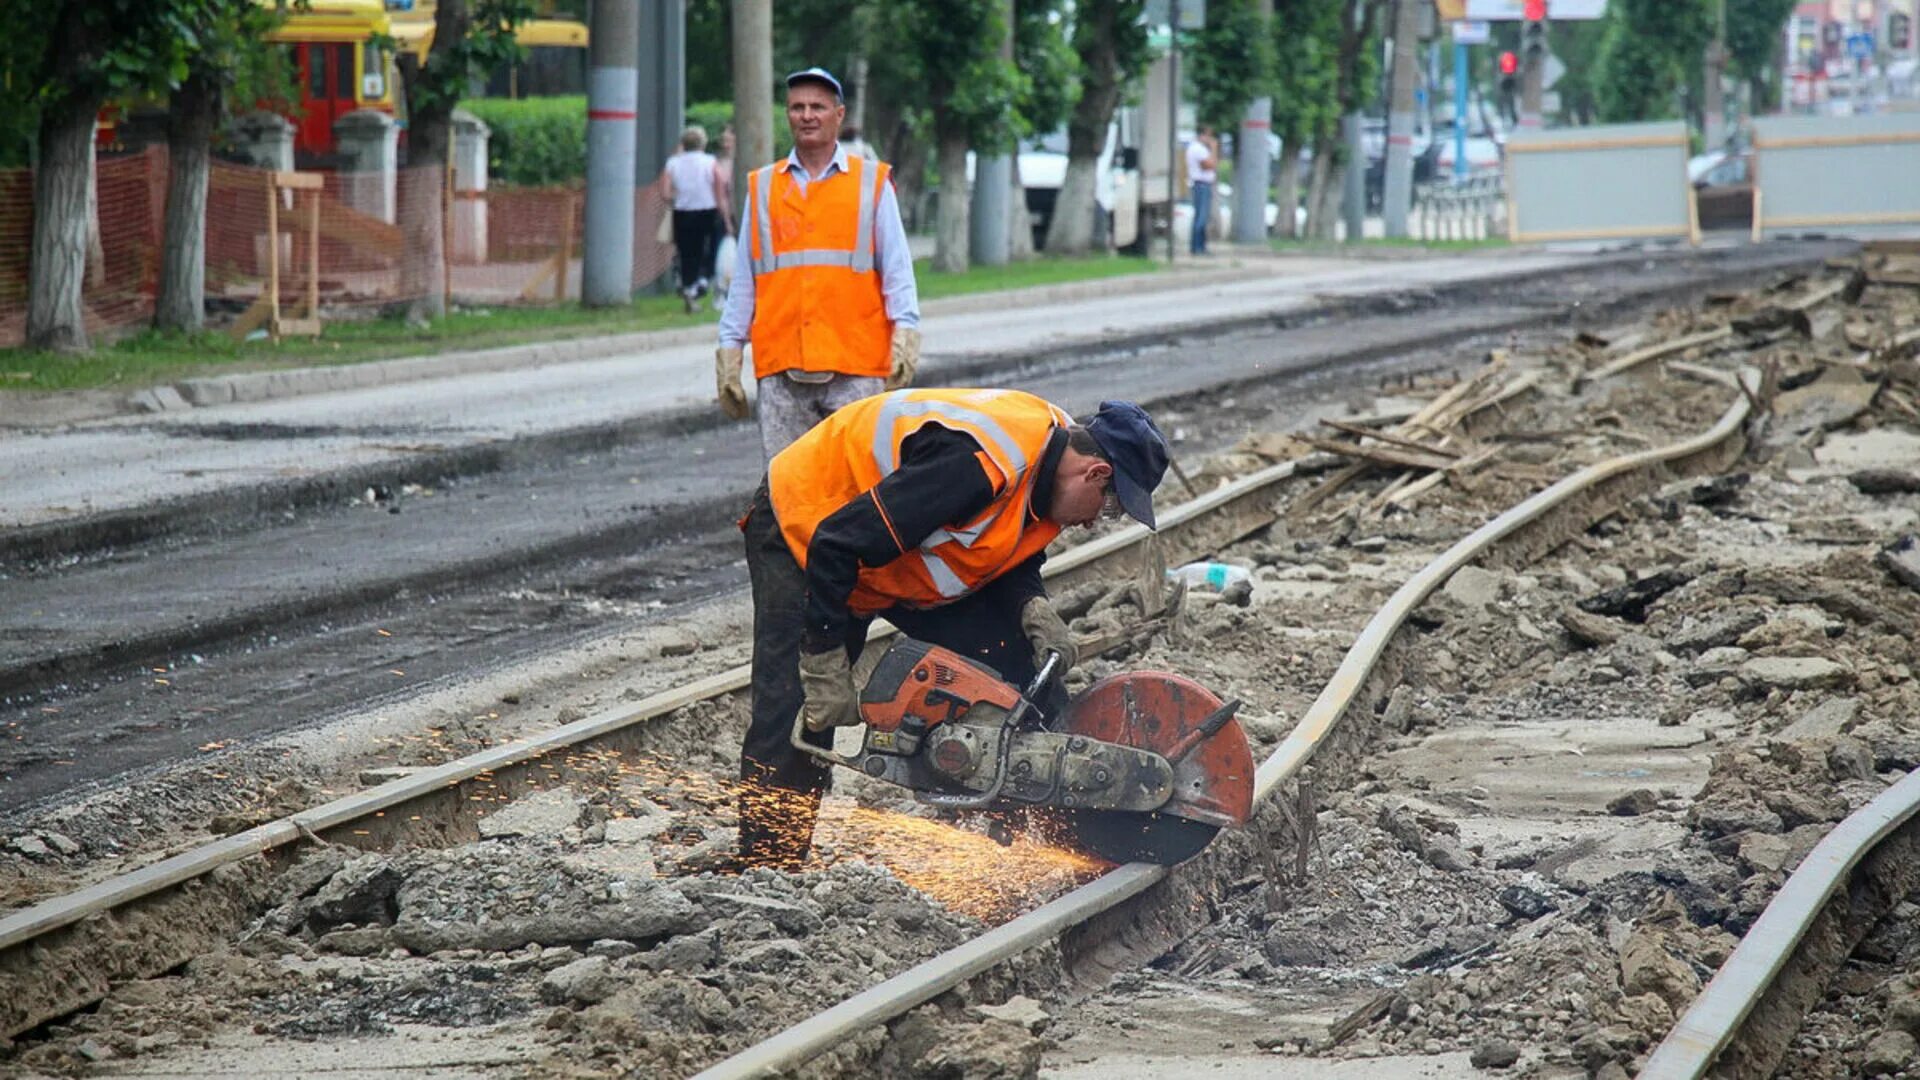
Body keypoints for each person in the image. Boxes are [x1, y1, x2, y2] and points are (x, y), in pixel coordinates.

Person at [735, 389, 1171, 870]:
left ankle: (1071, 833)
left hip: (898, 550)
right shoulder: (976, 464)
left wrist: (1032, 606)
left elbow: (1012, 540)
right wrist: (822, 662)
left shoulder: (1056, 459)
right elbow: (836, 545)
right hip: (808, 526)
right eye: (1108, 508)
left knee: (1020, 674)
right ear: (1096, 473)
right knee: (797, 710)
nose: (1094, 522)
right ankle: (768, 865)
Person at [715, 67, 922, 462]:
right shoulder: (763, 187)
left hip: (855, 367)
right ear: (787, 115)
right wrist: (730, 350)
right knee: (789, 490)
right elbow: (745, 281)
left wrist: (906, 334)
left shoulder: (870, 183)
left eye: (817, 107)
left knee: (855, 488)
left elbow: (897, 271)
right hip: (781, 371)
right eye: (797, 107)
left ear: (838, 115)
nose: (807, 115)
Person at [661, 126, 730, 312]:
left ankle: (688, 286)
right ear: (703, 143)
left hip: (682, 212)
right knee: (709, 248)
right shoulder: (710, 162)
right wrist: (726, 219)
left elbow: (665, 192)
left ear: (683, 143)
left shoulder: (672, 163)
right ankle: (703, 280)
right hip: (708, 210)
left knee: (686, 252)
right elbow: (720, 190)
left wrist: (677, 197)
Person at [708, 125, 737, 311]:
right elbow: (721, 196)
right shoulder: (717, 165)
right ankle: (721, 292)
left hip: (739, 212)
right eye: (723, 141)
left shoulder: (741, 162)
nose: (726, 145)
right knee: (721, 257)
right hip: (723, 216)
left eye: (729, 141)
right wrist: (727, 220)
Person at [1186, 124, 1219, 256]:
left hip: (1200, 184)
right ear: (1202, 135)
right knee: (1201, 217)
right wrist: (1214, 149)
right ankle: (1198, 247)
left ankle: (1198, 246)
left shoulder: (1195, 148)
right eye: (1208, 135)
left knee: (1200, 216)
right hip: (1202, 185)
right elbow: (1210, 165)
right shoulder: (1198, 149)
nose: (1210, 139)